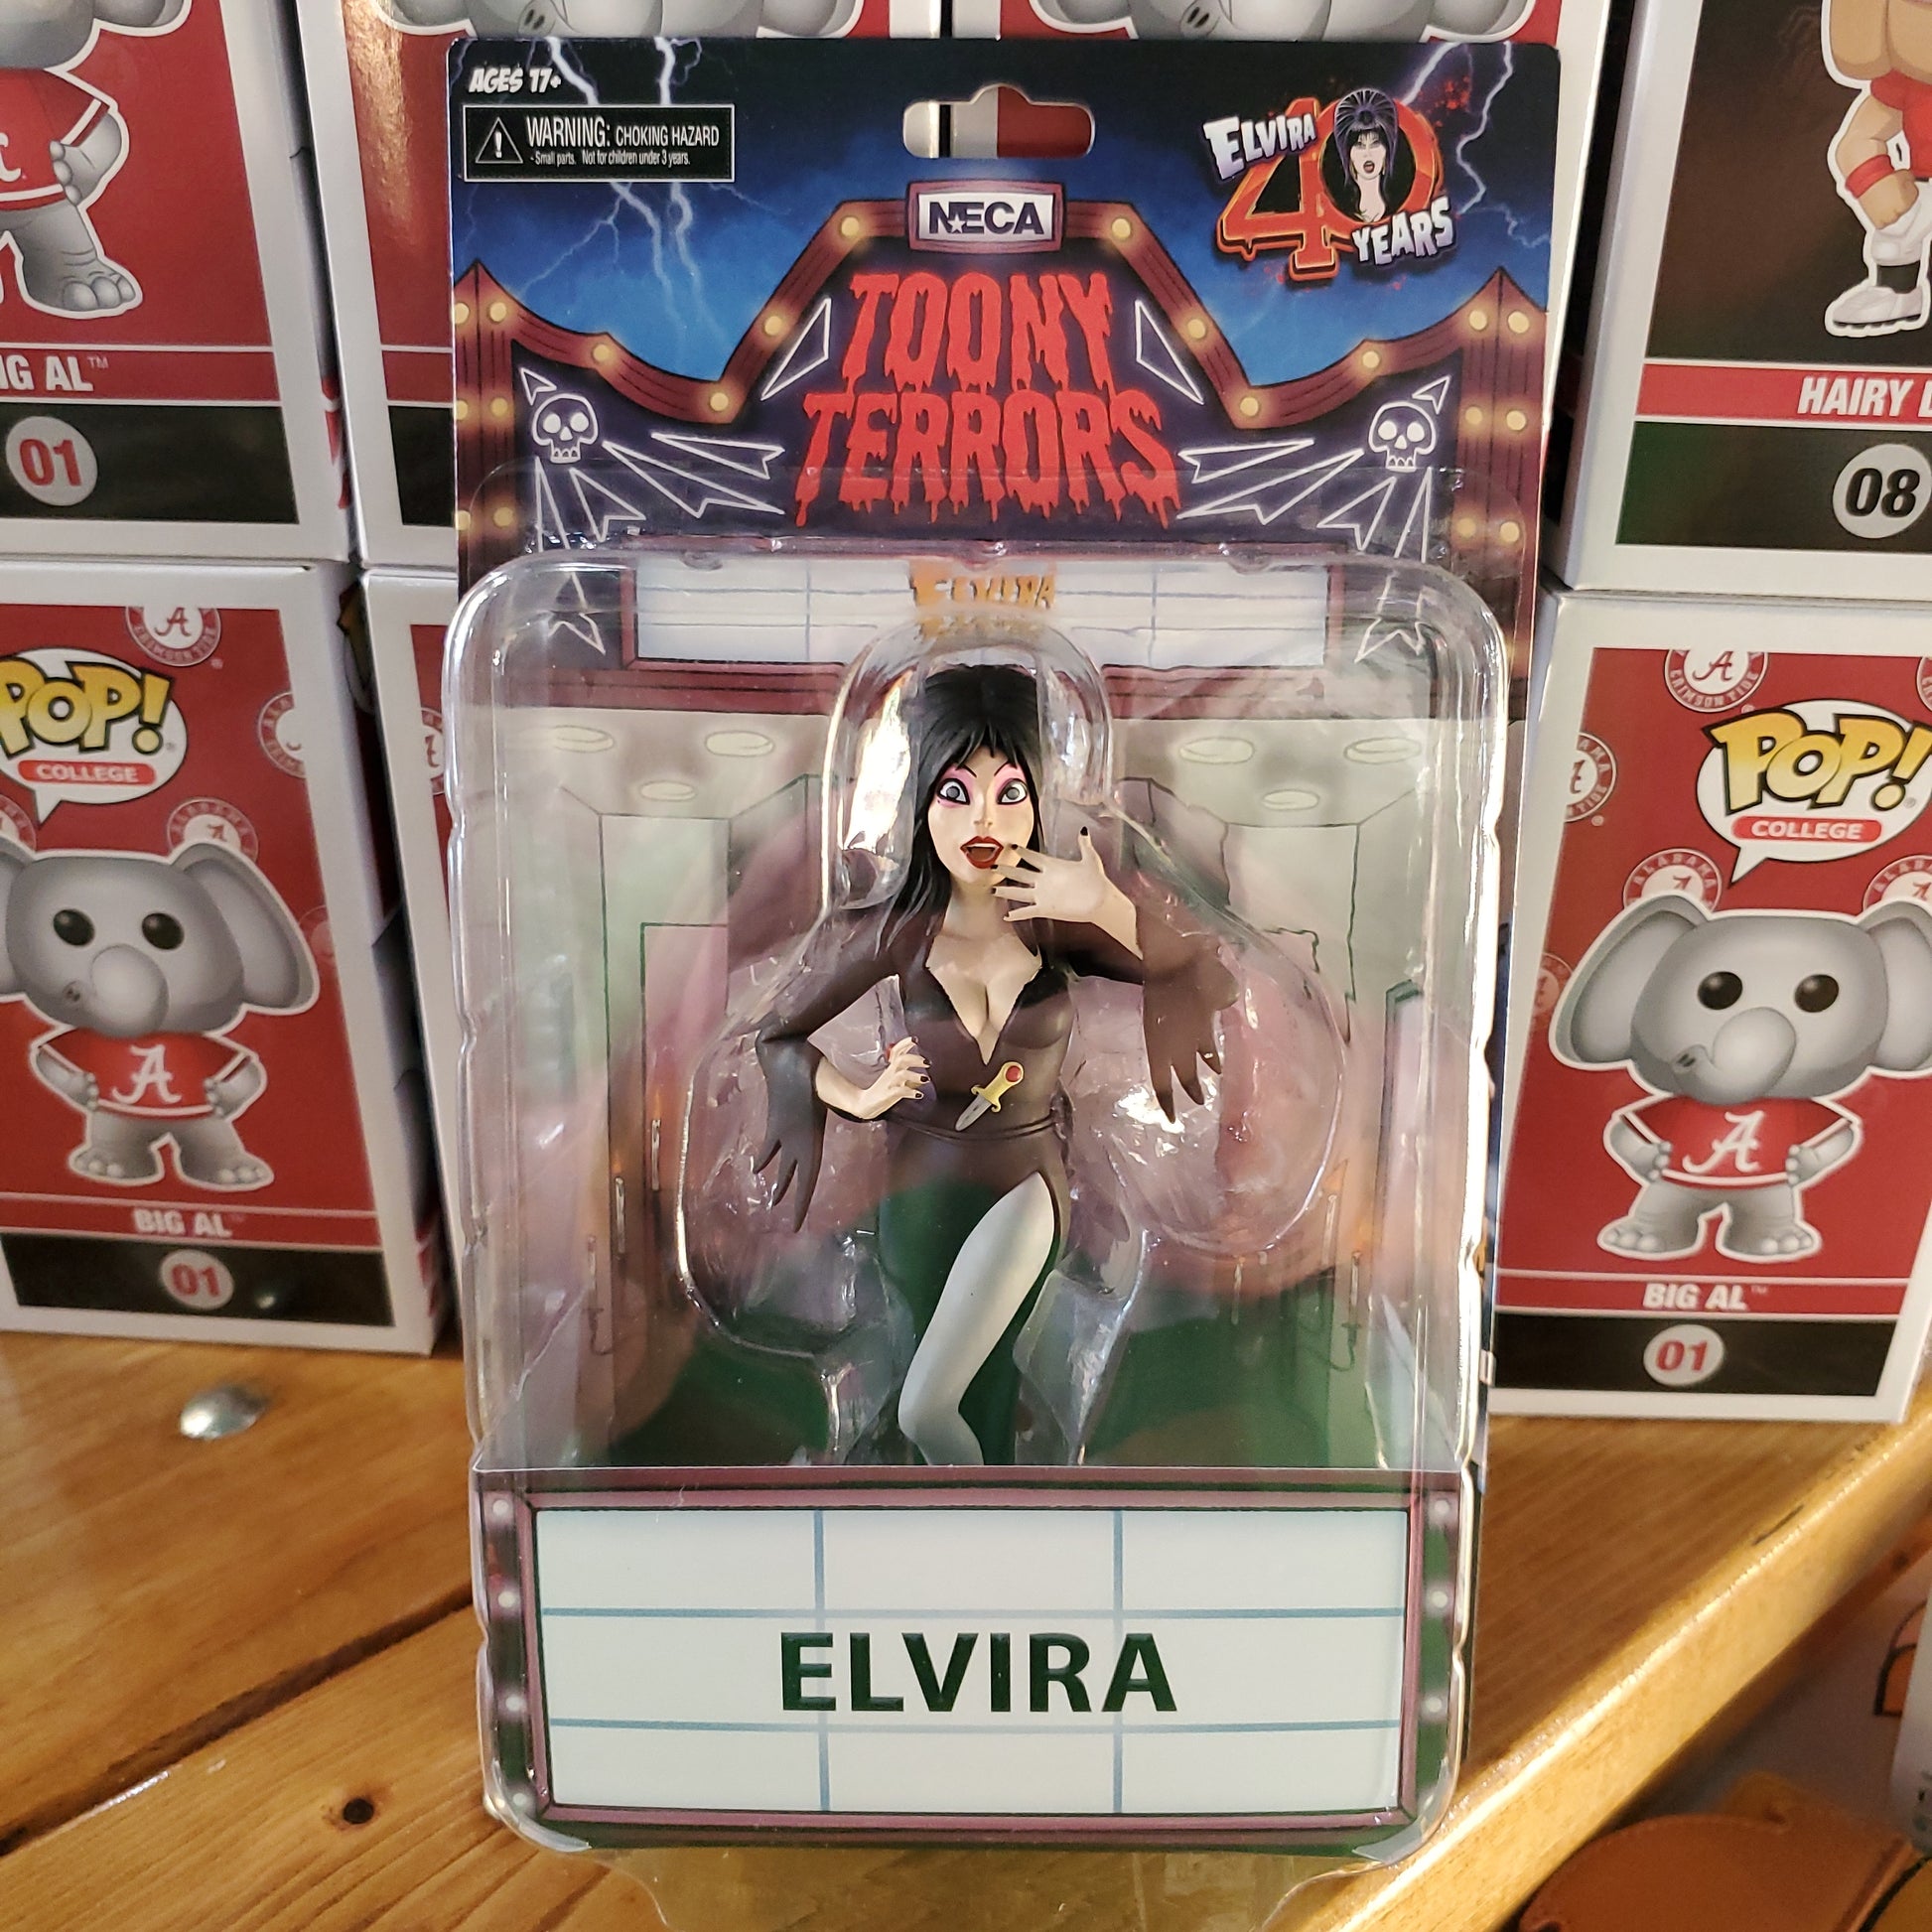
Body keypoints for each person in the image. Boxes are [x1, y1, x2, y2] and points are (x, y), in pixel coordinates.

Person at [752, 660, 1235, 1465]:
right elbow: (777, 1034)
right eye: (956, 791)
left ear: (1040, 802)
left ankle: (982, 1509)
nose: (986, 819)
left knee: (928, 1406)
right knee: (967, 1381)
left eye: (1010, 792)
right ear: (919, 803)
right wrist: (860, 1098)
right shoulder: (896, 934)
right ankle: (982, 1507)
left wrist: (1105, 904)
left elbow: (1196, 966)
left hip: (1024, 1187)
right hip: (916, 1197)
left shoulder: (1051, 923)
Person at [1330, 89, 1401, 226]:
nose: (1368, 153)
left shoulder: (1400, 210)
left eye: (1375, 144)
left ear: (1386, 152)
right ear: (1348, 155)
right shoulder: (1341, 212)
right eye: (1360, 145)